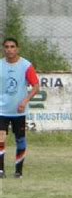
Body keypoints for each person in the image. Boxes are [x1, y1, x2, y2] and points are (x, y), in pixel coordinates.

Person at [0, 38, 40, 179]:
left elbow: (36, 86)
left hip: (19, 112)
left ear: (17, 48)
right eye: (6, 47)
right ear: (3, 49)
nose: (9, 49)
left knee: (20, 140)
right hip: (2, 111)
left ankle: (18, 171)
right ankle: (1, 170)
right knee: (0, 139)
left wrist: (25, 100)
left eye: (12, 46)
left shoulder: (25, 65)